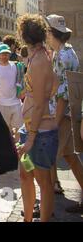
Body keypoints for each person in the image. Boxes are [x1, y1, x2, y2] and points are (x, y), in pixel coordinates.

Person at [16, 14, 59, 222]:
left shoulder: (40, 59)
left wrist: (31, 137)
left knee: (43, 182)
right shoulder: (38, 56)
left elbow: (41, 102)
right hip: (32, 130)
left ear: (24, 35)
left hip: (40, 134)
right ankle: (27, 218)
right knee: (25, 175)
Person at [46, 14, 83, 214]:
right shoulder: (66, 51)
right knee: (70, 157)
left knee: (48, 159)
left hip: (61, 116)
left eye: (46, 30)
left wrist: (55, 121)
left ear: (52, 33)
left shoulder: (61, 56)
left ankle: (47, 206)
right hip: (67, 114)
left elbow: (63, 94)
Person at [0, 44, 24, 141]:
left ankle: (16, 144)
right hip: (1, 102)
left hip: (15, 101)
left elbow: (20, 81)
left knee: (19, 127)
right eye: (3, 54)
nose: (5, 56)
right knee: (6, 128)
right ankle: (10, 146)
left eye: (7, 53)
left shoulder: (15, 66)